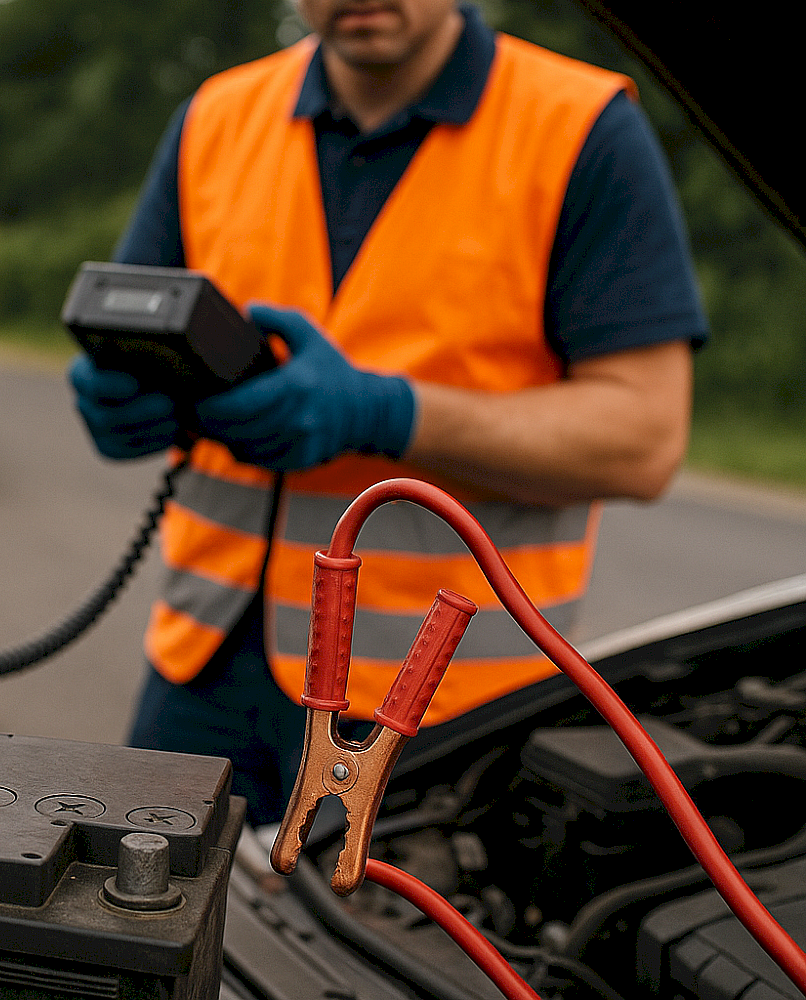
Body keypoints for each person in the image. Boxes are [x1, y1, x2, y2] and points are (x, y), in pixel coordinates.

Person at [69, 0, 707, 826]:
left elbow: (642, 439)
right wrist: (130, 388)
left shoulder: (578, 126)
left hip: (448, 708)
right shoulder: (216, 118)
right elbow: (142, 323)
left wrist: (388, 412)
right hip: (205, 674)